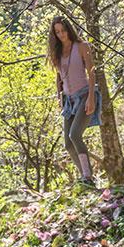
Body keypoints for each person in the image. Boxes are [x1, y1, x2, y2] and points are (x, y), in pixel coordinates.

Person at [48, 16, 100, 186]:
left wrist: (91, 97)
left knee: (75, 134)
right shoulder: (57, 52)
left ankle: (88, 176)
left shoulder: (82, 47)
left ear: (68, 29)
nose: (61, 35)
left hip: (84, 94)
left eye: (63, 31)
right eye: (57, 32)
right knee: (68, 144)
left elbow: (91, 72)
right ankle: (85, 177)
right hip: (68, 100)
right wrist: (59, 99)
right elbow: (59, 77)